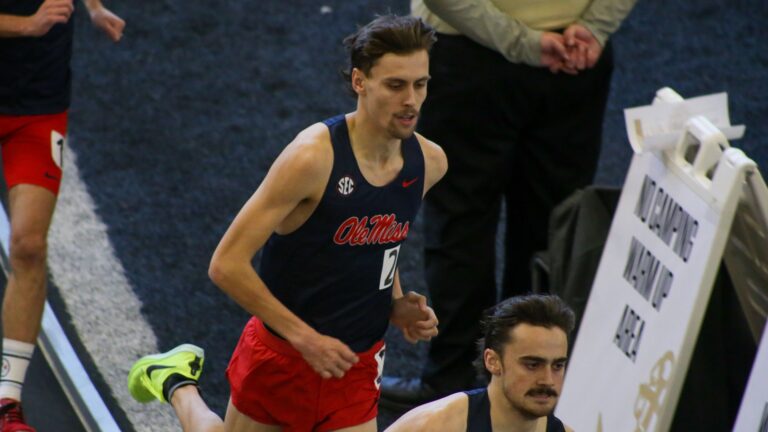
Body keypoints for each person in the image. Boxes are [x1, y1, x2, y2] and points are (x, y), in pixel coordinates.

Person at [127, 14, 447, 432]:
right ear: (359, 81)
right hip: (282, 358)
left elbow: (384, 239)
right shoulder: (312, 158)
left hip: (355, 365)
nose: (411, 100)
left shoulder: (430, 163)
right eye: (395, 85)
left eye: (419, 84)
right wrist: (305, 338)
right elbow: (226, 264)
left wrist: (397, 304)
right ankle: (175, 381)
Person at [380, 0, 638, 407]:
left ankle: (454, 386)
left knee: (462, 224)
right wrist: (594, 28)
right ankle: (532, 384)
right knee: (551, 230)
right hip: (575, 58)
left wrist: (525, 43)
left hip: (466, 53)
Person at [0, 1, 124, 430]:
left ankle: (7, 403)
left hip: (39, 105)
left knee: (30, 246)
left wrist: (93, 8)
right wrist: (27, 25)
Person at [386, 294, 575, 432]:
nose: (548, 380)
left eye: (557, 366)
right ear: (492, 361)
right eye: (532, 365)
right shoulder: (435, 426)